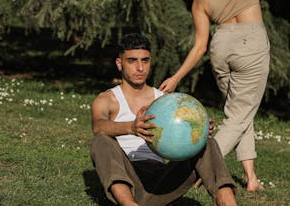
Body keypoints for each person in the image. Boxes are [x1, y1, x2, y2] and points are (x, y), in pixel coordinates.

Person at [135, 0, 270, 192]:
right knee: (238, 116)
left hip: (222, 47)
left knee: (239, 112)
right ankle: (193, 170)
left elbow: (200, 47)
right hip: (251, 43)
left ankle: (251, 179)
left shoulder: (200, 2)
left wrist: (176, 78)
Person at [90, 33, 238, 206]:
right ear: (119, 63)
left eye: (145, 61)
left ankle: (227, 202)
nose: (140, 68)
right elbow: (98, 127)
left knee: (207, 144)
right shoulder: (107, 99)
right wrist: (131, 127)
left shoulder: (165, 101)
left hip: (163, 182)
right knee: (101, 141)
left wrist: (200, 130)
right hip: (128, 178)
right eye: (132, 61)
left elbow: (188, 134)